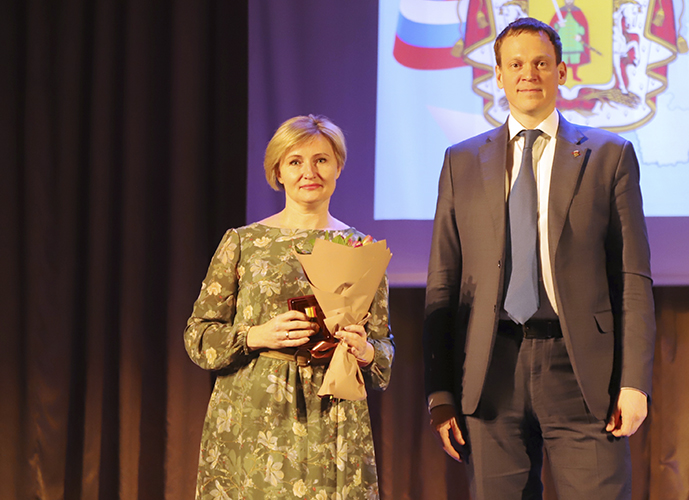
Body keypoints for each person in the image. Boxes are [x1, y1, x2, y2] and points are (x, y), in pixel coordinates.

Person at [423, 17, 655, 500]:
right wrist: (441, 393)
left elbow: (632, 277)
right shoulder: (460, 162)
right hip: (490, 370)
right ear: (498, 75)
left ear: (561, 72)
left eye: (541, 63)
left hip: (582, 370)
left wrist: (634, 383)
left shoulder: (608, 156)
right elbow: (443, 281)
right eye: (515, 65)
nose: (528, 74)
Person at [184, 115, 394, 499]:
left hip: (333, 414)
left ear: (338, 167)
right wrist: (255, 335)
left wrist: (364, 350)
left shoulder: (360, 248)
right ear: (278, 171)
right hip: (254, 413)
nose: (309, 172)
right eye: (295, 161)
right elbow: (199, 337)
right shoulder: (243, 242)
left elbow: (383, 348)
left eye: (321, 160)